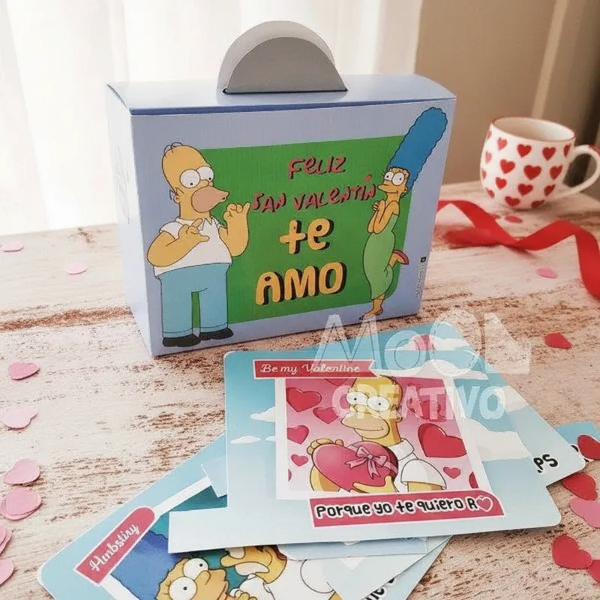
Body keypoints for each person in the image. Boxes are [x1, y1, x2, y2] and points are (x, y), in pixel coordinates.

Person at [147, 143, 250, 347]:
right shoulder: (174, 229)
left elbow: (235, 248)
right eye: (192, 181)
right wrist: (184, 242)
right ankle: (177, 333)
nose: (204, 185)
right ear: (177, 195)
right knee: (177, 301)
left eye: (207, 177)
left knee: (214, 297)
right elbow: (155, 256)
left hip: (214, 271)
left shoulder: (214, 225)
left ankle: (214, 327)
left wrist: (237, 223)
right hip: (177, 275)